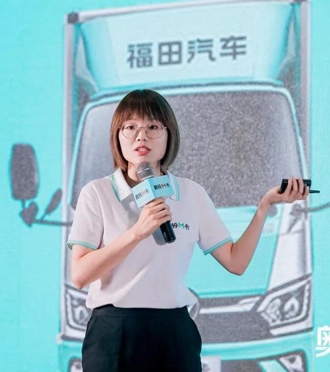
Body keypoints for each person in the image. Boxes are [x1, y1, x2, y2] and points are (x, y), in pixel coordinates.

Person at [67, 89, 309, 372]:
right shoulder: (97, 193)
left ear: (169, 135)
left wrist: (264, 206)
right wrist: (137, 233)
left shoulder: (191, 193)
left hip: (174, 331)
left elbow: (236, 262)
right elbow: (80, 275)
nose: (141, 137)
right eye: (130, 127)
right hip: (114, 332)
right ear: (116, 136)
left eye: (153, 127)